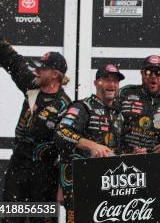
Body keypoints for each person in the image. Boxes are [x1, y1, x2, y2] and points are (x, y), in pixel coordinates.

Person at [0, 22, 71, 223]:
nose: (37, 70)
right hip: (18, 166)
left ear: (55, 75)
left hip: (45, 173)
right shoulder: (32, 85)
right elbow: (13, 62)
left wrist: (62, 186)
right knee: (10, 219)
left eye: (43, 68)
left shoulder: (66, 106)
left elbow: (67, 147)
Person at [55, 64, 124, 223]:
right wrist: (91, 145)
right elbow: (61, 132)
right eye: (106, 80)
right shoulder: (83, 106)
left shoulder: (118, 114)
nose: (111, 85)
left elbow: (117, 151)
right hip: (79, 184)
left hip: (108, 186)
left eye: (115, 81)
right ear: (96, 83)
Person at [117, 55, 160, 154]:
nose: (153, 76)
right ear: (142, 73)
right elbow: (109, 115)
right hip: (125, 155)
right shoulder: (126, 92)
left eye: (158, 72)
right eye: (148, 72)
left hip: (157, 159)